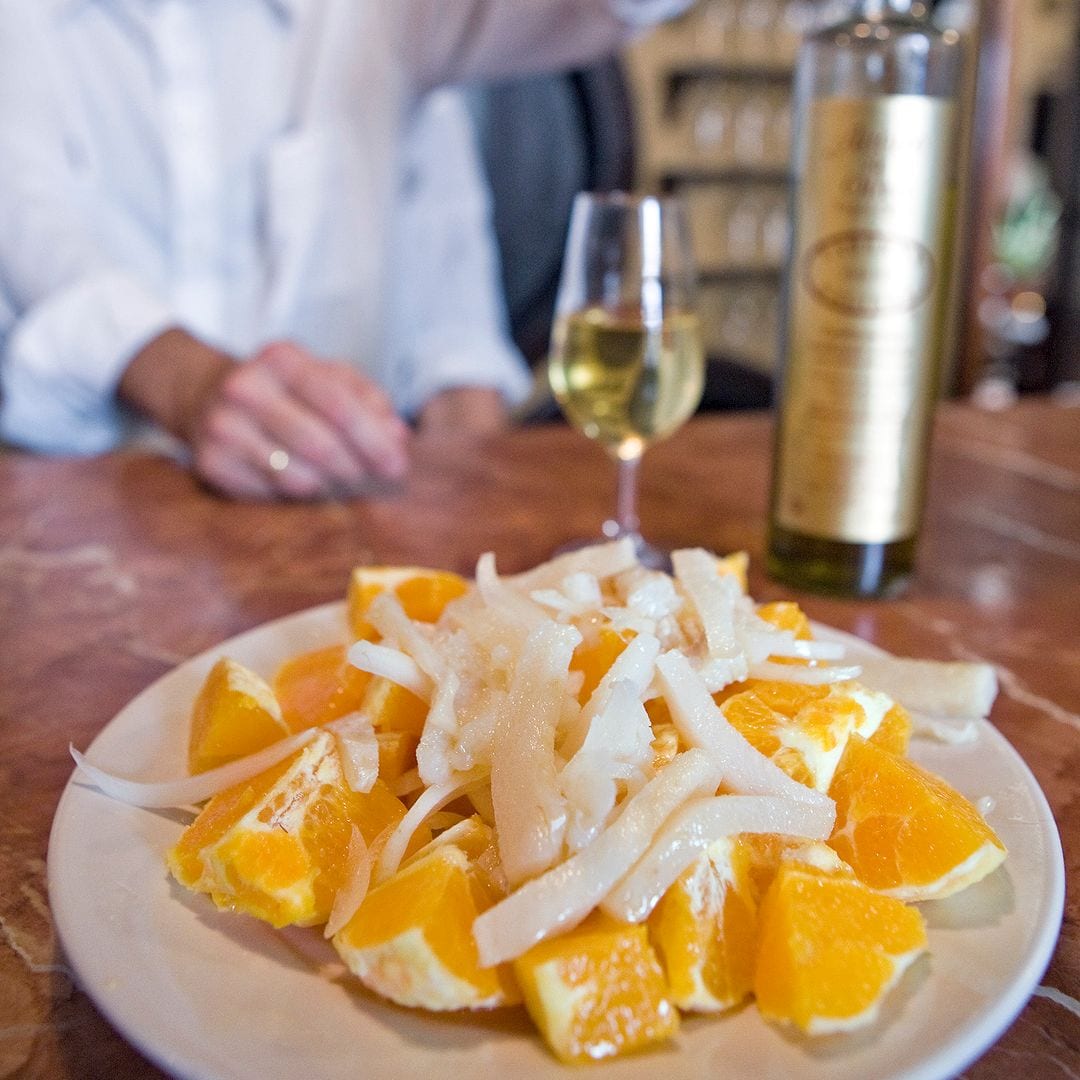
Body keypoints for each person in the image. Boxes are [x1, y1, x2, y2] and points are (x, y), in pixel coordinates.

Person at [0, 0, 688, 500]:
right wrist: (191, 384)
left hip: (351, 519)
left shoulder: (386, 22)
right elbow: (30, 229)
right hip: (81, 522)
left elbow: (457, 353)